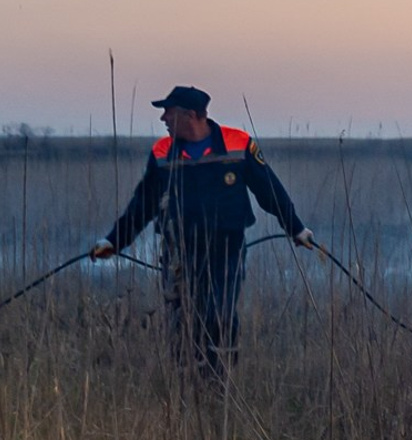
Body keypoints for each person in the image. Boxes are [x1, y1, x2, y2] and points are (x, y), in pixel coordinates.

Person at [90, 86, 320, 372]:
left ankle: (219, 384)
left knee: (220, 314)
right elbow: (143, 204)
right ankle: (186, 383)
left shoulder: (238, 144)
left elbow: (269, 190)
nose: (163, 118)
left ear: (190, 116)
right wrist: (113, 242)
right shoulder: (162, 152)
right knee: (184, 319)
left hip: (228, 247)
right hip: (179, 250)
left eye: (169, 112)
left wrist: (296, 229)